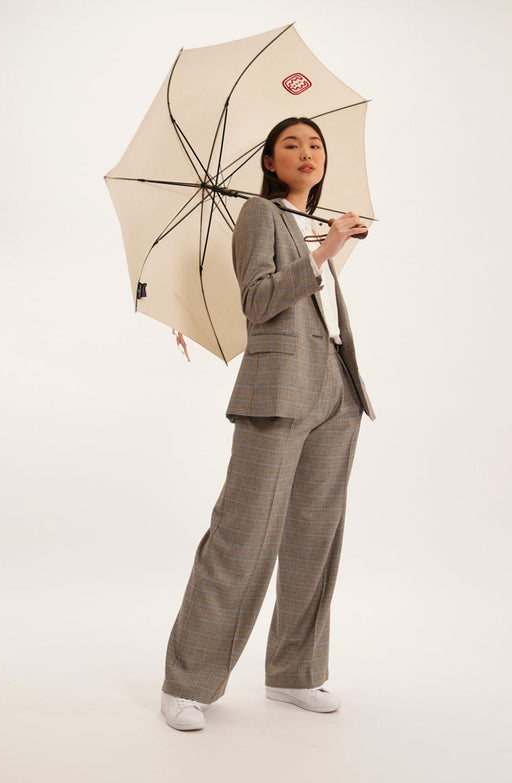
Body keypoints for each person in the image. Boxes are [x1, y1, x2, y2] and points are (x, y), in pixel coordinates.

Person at [160, 116, 375, 731]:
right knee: (243, 537)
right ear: (270, 164)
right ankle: (189, 682)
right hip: (278, 391)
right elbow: (256, 301)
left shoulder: (316, 221)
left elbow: (315, 306)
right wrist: (325, 251)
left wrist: (328, 244)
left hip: (337, 388)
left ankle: (296, 673)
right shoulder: (260, 215)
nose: (306, 152)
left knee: (315, 536)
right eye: (291, 145)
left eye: (315, 144)